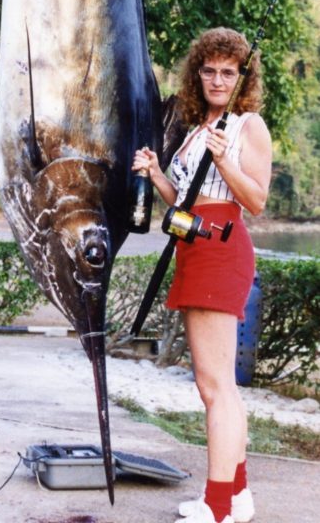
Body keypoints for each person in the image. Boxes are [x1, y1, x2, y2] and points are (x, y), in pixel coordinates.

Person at [132, 27, 272, 523]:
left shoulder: (247, 126)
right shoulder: (197, 127)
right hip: (193, 246)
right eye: (209, 70)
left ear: (241, 78)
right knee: (211, 385)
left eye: (228, 72)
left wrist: (224, 158)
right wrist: (156, 175)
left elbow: (253, 199)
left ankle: (217, 508)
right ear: (198, 75)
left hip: (222, 248)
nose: (217, 79)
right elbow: (187, 201)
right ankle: (237, 496)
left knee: (217, 388)